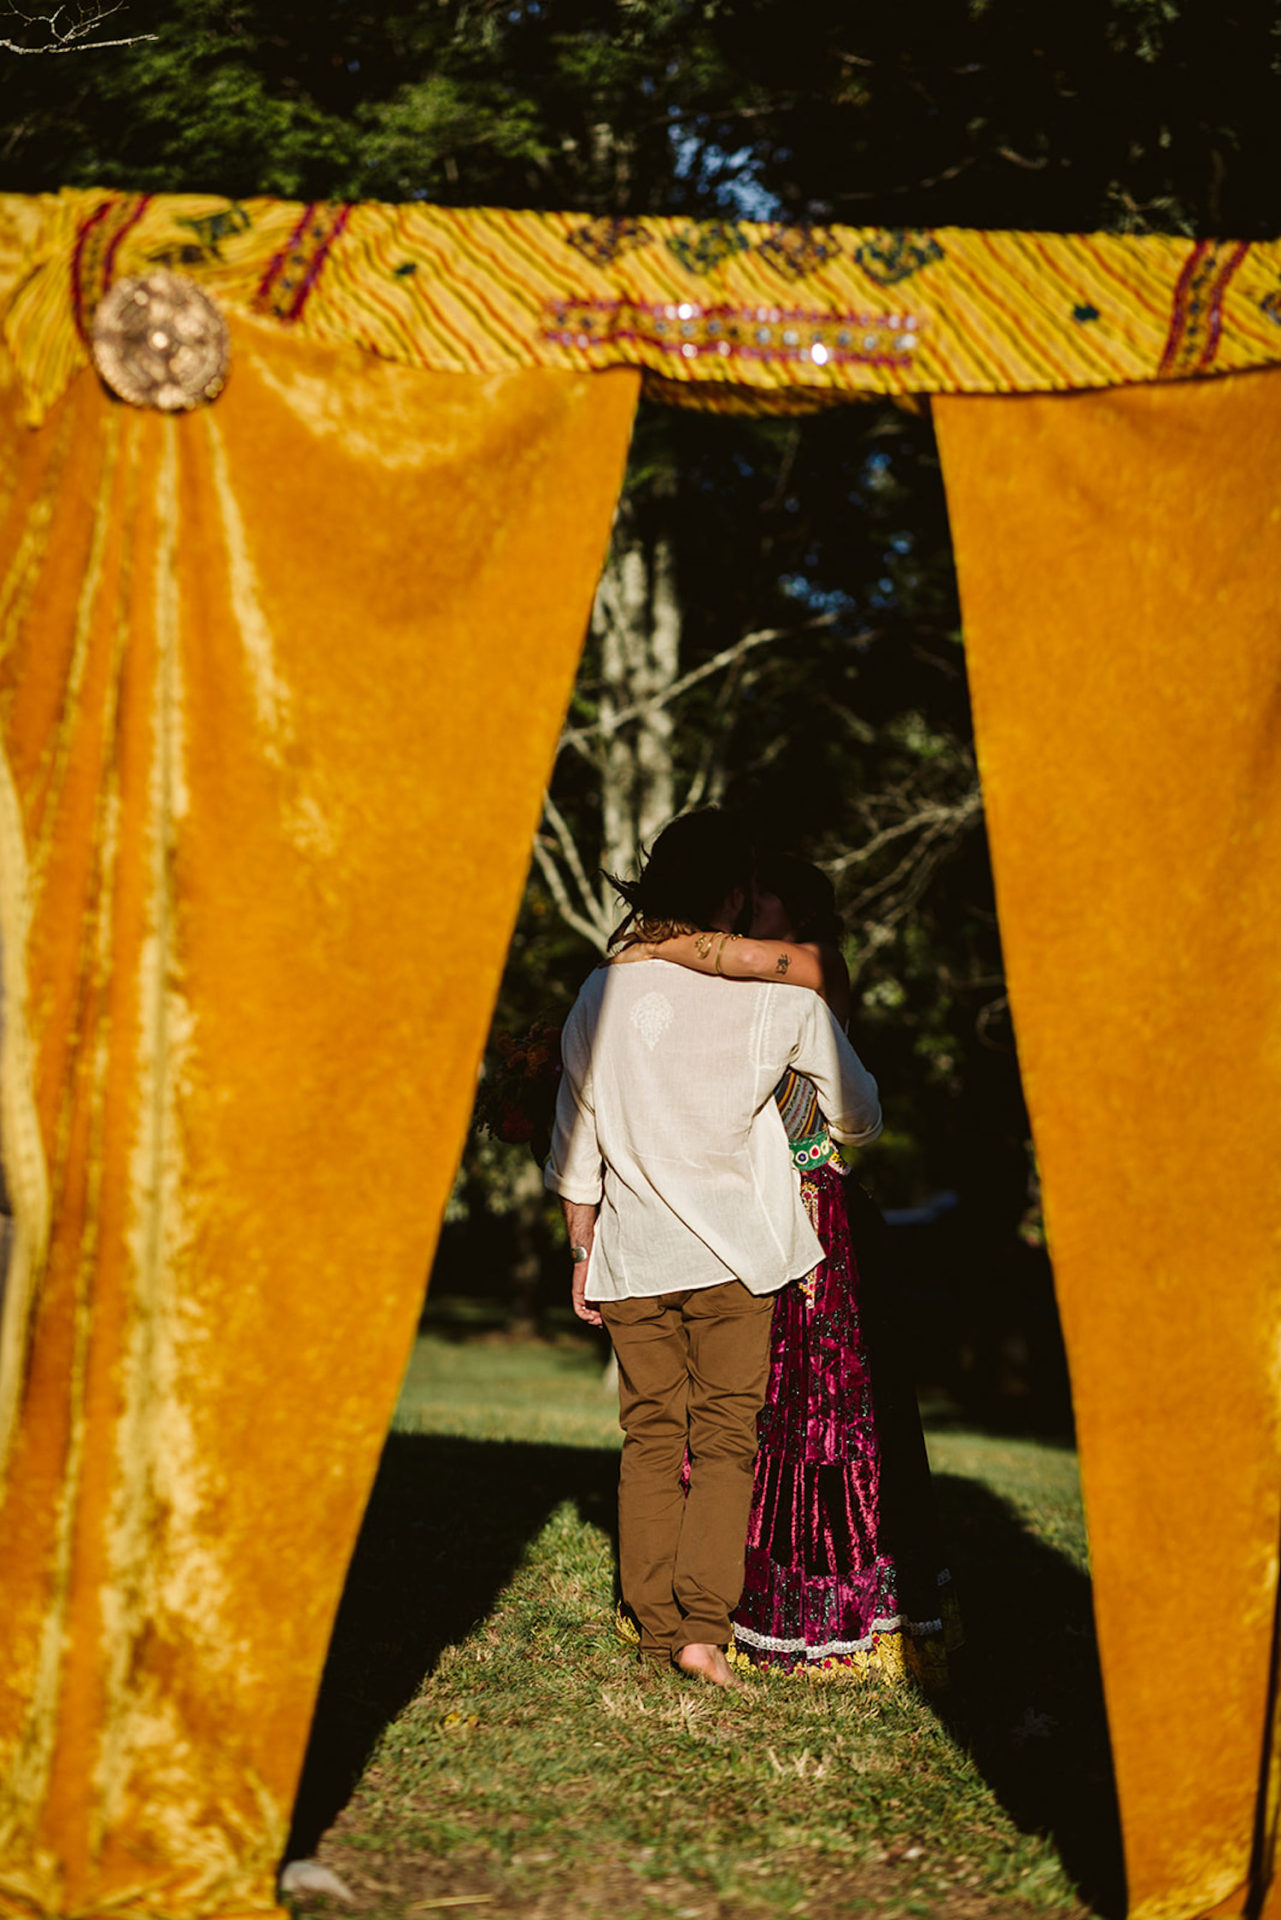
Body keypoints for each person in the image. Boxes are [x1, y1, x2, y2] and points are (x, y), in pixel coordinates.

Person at [544, 811, 882, 1689]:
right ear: (734, 892)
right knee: (727, 1438)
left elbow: (575, 1130)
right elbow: (859, 1114)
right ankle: (701, 1631)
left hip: (633, 1252)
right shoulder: (782, 998)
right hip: (738, 1256)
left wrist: (580, 1240)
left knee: (650, 1437)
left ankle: (653, 1625)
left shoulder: (602, 989)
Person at [642, 852, 959, 1684]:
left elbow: (725, 958)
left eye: (762, 893)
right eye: (740, 893)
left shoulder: (816, 967)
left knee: (823, 1404)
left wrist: (648, 946)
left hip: (816, 1204)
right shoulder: (739, 979)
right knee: (748, 1397)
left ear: (801, 906)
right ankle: (724, 1588)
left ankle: (829, 1601)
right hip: (750, 1201)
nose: (748, 907)